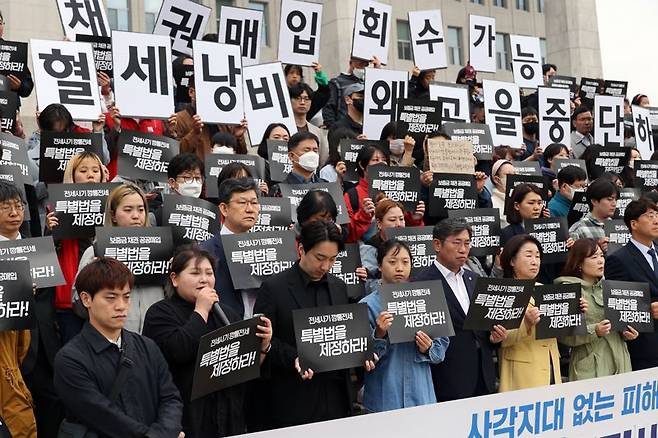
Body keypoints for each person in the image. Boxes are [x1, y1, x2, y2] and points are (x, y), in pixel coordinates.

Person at [252, 220, 373, 430]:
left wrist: (362, 352)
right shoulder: (273, 288)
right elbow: (264, 342)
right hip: (292, 399)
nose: (325, 266)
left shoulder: (339, 287)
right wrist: (294, 358)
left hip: (336, 398)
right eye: (320, 258)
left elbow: (344, 334)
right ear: (301, 249)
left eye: (332, 259)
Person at [143, 245, 272, 437]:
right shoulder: (160, 313)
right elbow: (179, 350)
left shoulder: (227, 313)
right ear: (175, 279)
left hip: (228, 415)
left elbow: (245, 370)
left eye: (209, 273)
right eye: (195, 273)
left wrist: (263, 347)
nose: (204, 279)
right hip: (186, 414)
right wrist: (201, 310)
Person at [53, 257, 183, 436]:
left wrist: (164, 431)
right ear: (86, 299)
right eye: (111, 298)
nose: (121, 306)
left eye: (126, 297)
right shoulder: (70, 360)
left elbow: (170, 398)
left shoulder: (147, 347)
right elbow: (103, 416)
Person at [413, 219, 508, 401]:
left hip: (483, 374)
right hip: (447, 379)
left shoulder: (475, 279)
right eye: (456, 243)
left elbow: (482, 327)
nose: (463, 249)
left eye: (467, 243)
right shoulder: (422, 284)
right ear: (437, 244)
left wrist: (494, 338)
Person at [360, 239, 449, 412]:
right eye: (392, 262)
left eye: (405, 262)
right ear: (379, 265)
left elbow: (440, 351)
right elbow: (363, 359)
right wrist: (378, 335)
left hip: (421, 395)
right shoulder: (367, 305)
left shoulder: (427, 299)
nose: (399, 268)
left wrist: (428, 347)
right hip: (384, 397)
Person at [73, 183, 163, 334]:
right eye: (128, 210)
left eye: (141, 209)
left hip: (154, 338)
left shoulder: (161, 250)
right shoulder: (95, 251)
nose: (136, 216)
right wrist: (91, 278)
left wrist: (173, 274)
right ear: (113, 215)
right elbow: (78, 305)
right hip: (113, 338)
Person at [45, 151, 109, 343]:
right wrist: (51, 231)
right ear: (71, 175)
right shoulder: (56, 209)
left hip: (105, 293)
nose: (91, 175)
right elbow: (48, 256)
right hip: (69, 299)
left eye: (95, 170)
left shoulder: (114, 206)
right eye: (83, 170)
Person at [555, 238, 636, 381]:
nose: (600, 261)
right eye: (594, 257)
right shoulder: (567, 289)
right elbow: (563, 336)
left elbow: (619, 324)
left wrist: (627, 332)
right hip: (590, 369)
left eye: (601, 256)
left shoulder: (610, 288)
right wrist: (594, 330)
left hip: (620, 363)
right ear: (579, 263)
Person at [498, 234, 566, 392]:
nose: (535, 261)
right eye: (528, 255)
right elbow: (500, 339)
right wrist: (526, 324)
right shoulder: (504, 292)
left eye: (538, 256)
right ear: (512, 261)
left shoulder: (545, 290)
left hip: (551, 366)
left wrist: (576, 312)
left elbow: (562, 330)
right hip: (522, 372)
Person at [0, 181, 37, 438]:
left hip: (31, 340)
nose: (14, 213)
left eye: (18, 206)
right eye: (5, 207)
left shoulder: (38, 248)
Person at [605, 199, 658, 370]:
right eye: (650, 216)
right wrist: (648, 310)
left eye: (657, 215)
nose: (656, 220)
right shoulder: (618, 259)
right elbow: (619, 307)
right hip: (645, 349)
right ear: (634, 224)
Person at [200, 178, 261, 319]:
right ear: (224, 209)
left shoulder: (270, 248)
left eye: (254, 203)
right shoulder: (204, 251)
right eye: (242, 203)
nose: (250, 209)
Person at [174, 75, 248, 159]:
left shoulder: (223, 120)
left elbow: (241, 155)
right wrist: (194, 133)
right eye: (207, 91)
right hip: (198, 171)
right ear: (191, 92)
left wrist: (237, 137)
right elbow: (175, 155)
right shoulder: (178, 119)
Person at [342, 144, 388, 242]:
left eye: (383, 160)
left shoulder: (397, 191)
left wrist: (414, 218)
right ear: (362, 165)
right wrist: (363, 215)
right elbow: (346, 234)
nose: (381, 163)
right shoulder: (351, 195)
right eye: (375, 160)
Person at [323, 56, 380, 129]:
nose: (363, 68)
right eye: (360, 65)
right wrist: (335, 130)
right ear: (351, 63)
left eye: (366, 65)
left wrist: (377, 73)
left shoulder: (367, 82)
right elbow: (329, 108)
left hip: (363, 129)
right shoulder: (336, 83)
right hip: (344, 130)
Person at [569, 178, 619, 249]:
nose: (614, 204)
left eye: (616, 199)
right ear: (594, 201)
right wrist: (597, 248)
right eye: (610, 199)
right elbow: (575, 258)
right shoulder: (579, 229)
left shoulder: (617, 226)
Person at [290, 82, 329, 167]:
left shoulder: (317, 132)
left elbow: (323, 160)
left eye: (306, 99)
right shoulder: (283, 130)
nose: (302, 102)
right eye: (298, 98)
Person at [490, 159, 515, 228]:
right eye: (509, 175)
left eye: (515, 174)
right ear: (497, 179)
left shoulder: (521, 200)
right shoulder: (492, 203)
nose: (514, 178)